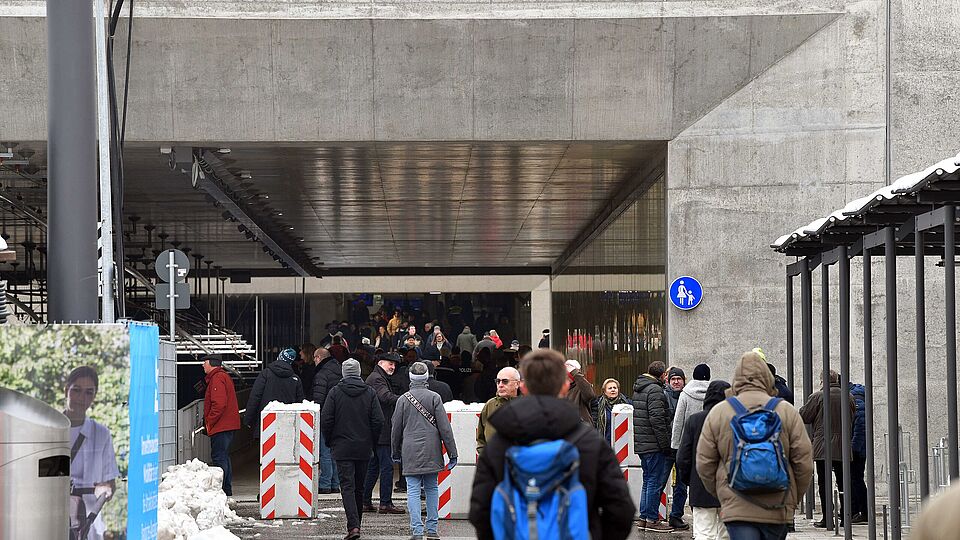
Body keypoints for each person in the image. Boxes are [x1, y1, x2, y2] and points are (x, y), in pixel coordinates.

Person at [469, 349, 635, 540]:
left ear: (523, 387)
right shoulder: (589, 442)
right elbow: (621, 510)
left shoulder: (500, 442)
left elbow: (480, 510)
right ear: (565, 386)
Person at [697, 350, 813, 540]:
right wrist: (791, 499)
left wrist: (724, 493)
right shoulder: (786, 411)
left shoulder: (720, 412)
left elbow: (704, 463)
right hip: (777, 505)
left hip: (737, 507)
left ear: (737, 378)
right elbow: (804, 463)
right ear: (768, 378)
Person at [392, 362, 458, 540]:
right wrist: (452, 453)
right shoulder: (435, 398)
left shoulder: (402, 400)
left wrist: (395, 452)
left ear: (410, 377)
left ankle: (417, 531)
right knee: (432, 488)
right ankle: (432, 529)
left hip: (410, 450)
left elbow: (395, 429)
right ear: (427, 376)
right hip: (432, 449)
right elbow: (445, 429)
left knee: (413, 491)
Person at [321, 359, 385, 540]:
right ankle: (357, 525)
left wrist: (331, 440)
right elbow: (379, 420)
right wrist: (372, 441)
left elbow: (326, 420)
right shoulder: (370, 393)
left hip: (342, 447)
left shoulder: (335, 392)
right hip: (363, 447)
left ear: (344, 373)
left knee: (347, 487)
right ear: (358, 373)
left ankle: (353, 527)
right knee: (359, 487)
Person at [64, 366, 119, 540]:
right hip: (54, 519)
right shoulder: (49, 430)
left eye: (89, 392)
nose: (82, 398)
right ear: (66, 390)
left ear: (94, 396)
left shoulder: (101, 434)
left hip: (88, 524)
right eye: (76, 390)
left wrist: (105, 489)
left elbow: (111, 484)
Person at [799, 370, 855, 528]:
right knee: (844, 482)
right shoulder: (849, 396)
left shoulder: (818, 396)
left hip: (823, 445)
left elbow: (804, 416)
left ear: (822, 381)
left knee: (824, 483)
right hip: (843, 445)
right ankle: (845, 516)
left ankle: (827, 517)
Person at [677, 380, 731, 540]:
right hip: (729, 489)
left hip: (700, 486)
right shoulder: (736, 420)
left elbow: (683, 457)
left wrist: (689, 480)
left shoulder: (694, 420)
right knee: (726, 534)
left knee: (704, 533)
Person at [632, 360, 673, 532]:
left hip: (643, 443)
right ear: (663, 375)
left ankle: (643, 518)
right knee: (654, 482)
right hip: (654, 444)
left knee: (648, 481)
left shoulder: (640, 387)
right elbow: (657, 419)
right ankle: (652, 519)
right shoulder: (655, 390)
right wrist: (665, 445)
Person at [362, 353, 405, 514]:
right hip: (382, 431)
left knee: (373, 467)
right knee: (386, 467)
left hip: (377, 430)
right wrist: (405, 399)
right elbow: (385, 397)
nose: (393, 367)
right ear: (380, 363)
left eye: (394, 364)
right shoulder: (377, 379)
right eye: (390, 363)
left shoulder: (378, 377)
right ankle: (385, 503)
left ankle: (365, 501)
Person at [202, 356, 241, 496]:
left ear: (211, 364)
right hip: (227, 424)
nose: (203, 365)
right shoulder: (223, 376)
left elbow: (219, 404)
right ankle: (227, 489)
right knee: (224, 456)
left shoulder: (217, 378)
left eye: (204, 362)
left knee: (219, 457)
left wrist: (209, 421)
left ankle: (222, 490)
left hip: (221, 425)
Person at [243, 348, 304, 428]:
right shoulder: (295, 379)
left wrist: (248, 419)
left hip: (266, 421)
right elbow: (299, 403)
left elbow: (255, 397)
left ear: (279, 357)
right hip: (287, 422)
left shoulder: (266, 374)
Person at [311, 347, 342, 494]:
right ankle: (335, 483)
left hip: (326, 417)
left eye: (314, 358)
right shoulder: (340, 370)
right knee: (335, 451)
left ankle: (325, 483)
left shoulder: (322, 374)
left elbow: (319, 399)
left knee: (325, 451)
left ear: (318, 358)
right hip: (339, 417)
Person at [476, 366, 521, 454]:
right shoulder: (490, 405)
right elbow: (481, 438)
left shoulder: (528, 405)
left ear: (517, 384)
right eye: (498, 381)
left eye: (505, 381)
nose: (500, 385)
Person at [672, 364, 710, 450]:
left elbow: (678, 420)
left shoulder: (685, 394)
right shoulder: (714, 393)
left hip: (688, 441)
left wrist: (675, 444)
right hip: (709, 441)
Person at [590, 378, 632, 442]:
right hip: (604, 442)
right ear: (604, 391)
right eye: (610, 388)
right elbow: (594, 424)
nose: (613, 390)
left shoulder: (627, 404)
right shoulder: (598, 404)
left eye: (615, 388)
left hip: (622, 442)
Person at [849, 381, 868, 523]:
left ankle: (863, 512)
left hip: (857, 449)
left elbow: (861, 425)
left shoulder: (856, 399)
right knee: (853, 479)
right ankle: (854, 511)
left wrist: (853, 448)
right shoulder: (855, 396)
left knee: (856, 480)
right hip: (856, 447)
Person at [564, 359, 597, 424]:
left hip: (581, 426)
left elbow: (590, 395)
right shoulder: (561, 388)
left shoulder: (581, 387)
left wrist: (574, 372)